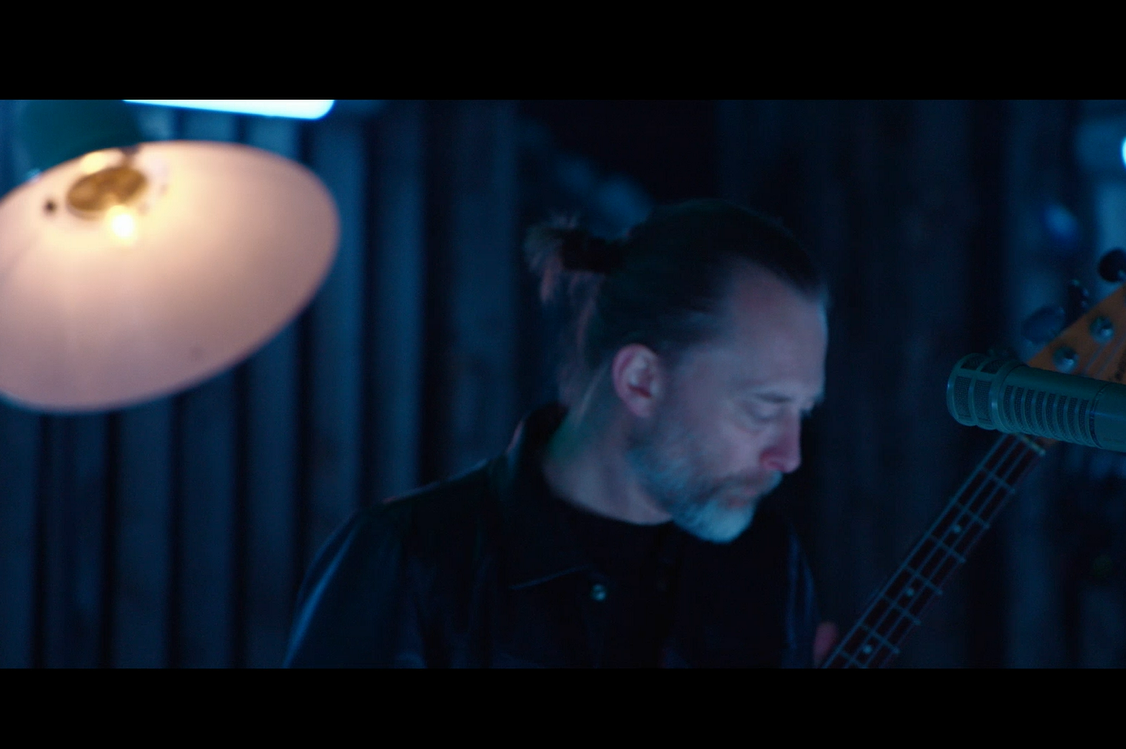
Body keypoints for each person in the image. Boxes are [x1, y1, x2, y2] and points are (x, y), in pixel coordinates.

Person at [283, 199, 835, 667]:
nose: (789, 455)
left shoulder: (768, 568)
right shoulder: (408, 564)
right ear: (641, 380)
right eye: (763, 409)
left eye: (802, 412)